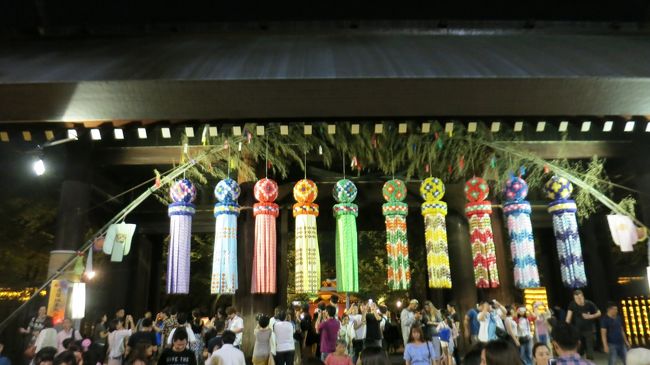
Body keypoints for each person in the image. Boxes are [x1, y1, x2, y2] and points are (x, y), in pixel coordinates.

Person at [566, 290, 601, 360]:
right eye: (576, 299)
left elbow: (599, 313)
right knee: (578, 348)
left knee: (589, 348)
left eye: (579, 298)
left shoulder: (589, 303)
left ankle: (589, 360)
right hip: (577, 330)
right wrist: (567, 328)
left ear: (583, 296)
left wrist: (590, 316)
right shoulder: (572, 304)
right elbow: (568, 317)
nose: (578, 300)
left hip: (588, 329)